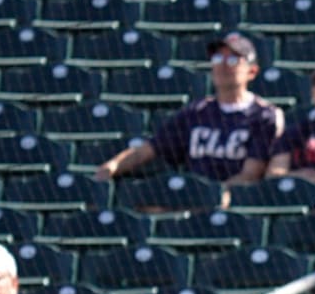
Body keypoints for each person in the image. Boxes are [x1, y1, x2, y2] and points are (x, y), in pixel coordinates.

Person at [94, 33, 281, 187]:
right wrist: (112, 166)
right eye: (217, 58)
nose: (222, 65)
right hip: (191, 198)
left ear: (252, 71)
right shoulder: (196, 113)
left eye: (233, 60)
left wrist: (214, 195)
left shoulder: (264, 116)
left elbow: (251, 175)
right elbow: (149, 150)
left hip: (235, 202)